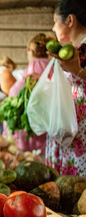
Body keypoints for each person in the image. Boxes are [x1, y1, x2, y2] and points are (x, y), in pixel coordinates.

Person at [45, 0, 86, 177]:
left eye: (55, 21)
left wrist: (76, 70)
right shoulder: (73, 50)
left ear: (70, 20)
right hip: (71, 131)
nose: (53, 28)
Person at [6, 33, 55, 155]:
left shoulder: (35, 65)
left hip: (32, 127)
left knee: (32, 159)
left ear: (29, 50)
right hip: (48, 122)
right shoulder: (52, 65)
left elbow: (17, 91)